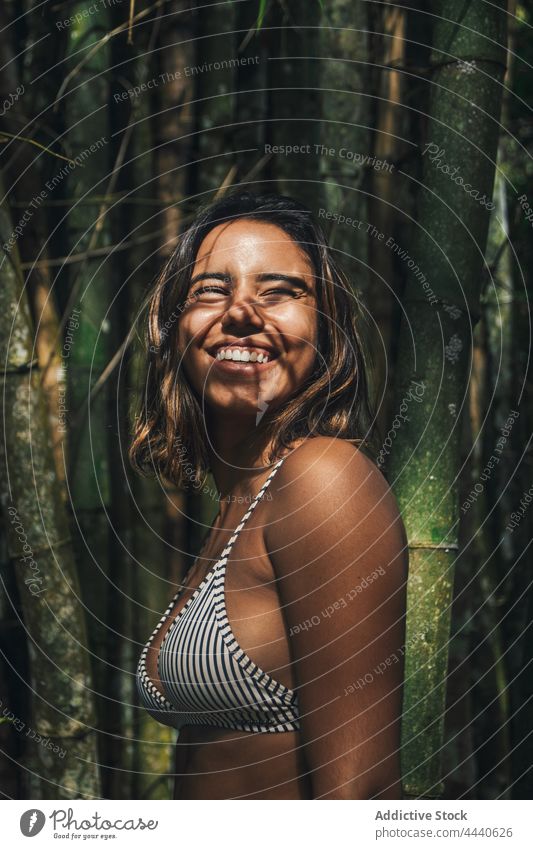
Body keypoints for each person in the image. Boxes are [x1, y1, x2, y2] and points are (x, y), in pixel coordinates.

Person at [129, 190, 408, 800]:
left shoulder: (324, 479)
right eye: (210, 289)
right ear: (173, 327)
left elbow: (361, 795)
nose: (242, 312)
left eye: (278, 291)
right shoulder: (239, 499)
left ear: (325, 327)